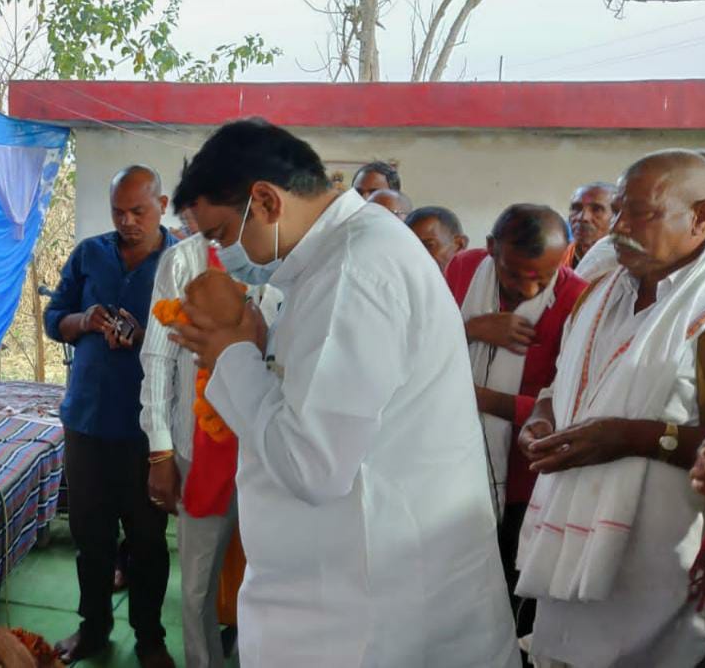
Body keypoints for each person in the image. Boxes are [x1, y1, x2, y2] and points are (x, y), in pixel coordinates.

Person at [168, 119, 517, 667]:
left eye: (218, 234)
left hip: (370, 607)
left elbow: (313, 464)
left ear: (264, 201)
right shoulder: (327, 262)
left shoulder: (355, 269)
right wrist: (252, 349)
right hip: (343, 584)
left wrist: (229, 353)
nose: (221, 253)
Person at [515, 150, 705, 667]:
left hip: (660, 579)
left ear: (702, 217)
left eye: (640, 213)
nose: (619, 226)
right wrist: (543, 418)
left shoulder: (704, 306)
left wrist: (633, 437)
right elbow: (569, 385)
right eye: (618, 209)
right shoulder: (601, 286)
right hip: (568, 564)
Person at [44, 165, 177, 668]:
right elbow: (54, 319)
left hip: (150, 428)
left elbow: (195, 339)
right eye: (118, 212)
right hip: (88, 422)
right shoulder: (89, 254)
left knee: (147, 540)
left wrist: (148, 337)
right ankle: (94, 629)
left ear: (161, 205)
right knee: (91, 536)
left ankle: (150, 638)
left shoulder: (182, 261)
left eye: (138, 211)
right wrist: (85, 320)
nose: (126, 222)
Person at [139, 220, 283, 668]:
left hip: (279, 452)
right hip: (199, 450)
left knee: (276, 576)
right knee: (199, 584)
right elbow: (159, 357)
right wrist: (161, 451)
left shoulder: (295, 259)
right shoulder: (184, 260)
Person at [444, 205, 587, 639]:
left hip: (522, 477)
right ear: (490, 249)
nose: (528, 288)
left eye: (541, 279)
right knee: (448, 588)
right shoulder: (464, 268)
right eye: (514, 275)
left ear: (567, 256)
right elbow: (415, 340)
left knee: (508, 594)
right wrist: (467, 328)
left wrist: (482, 399)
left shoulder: (578, 297)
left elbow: (570, 402)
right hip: (446, 456)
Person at [565, 182, 617, 272]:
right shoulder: (555, 259)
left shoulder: (623, 265)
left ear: (616, 217)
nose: (583, 217)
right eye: (576, 208)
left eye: (597, 209)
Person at [407, 205, 469, 272]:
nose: (419, 255)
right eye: (412, 249)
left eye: (429, 245)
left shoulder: (478, 280)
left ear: (459, 244)